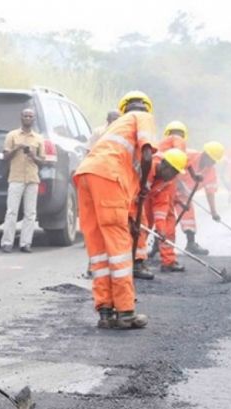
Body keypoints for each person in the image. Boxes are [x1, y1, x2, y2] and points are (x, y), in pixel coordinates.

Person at [74, 90, 156, 330]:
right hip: (107, 177)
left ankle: (106, 312)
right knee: (119, 247)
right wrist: (143, 187)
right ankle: (126, 311)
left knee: (99, 248)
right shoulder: (142, 117)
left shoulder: (115, 126)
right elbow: (148, 153)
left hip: (85, 175)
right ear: (144, 106)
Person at [132, 148, 188, 277]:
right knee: (138, 226)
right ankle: (134, 261)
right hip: (129, 196)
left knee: (149, 227)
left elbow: (161, 207)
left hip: (143, 197)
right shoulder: (147, 166)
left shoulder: (166, 182)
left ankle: (140, 261)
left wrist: (161, 229)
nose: (174, 177)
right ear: (164, 164)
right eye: (173, 172)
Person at [0, 108, 45, 253]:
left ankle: (26, 243)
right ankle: (7, 242)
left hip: (32, 179)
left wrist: (33, 155)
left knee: (30, 213)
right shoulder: (12, 135)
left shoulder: (38, 138)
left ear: (33, 119)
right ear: (21, 117)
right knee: (11, 211)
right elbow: (5, 156)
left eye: (30, 116)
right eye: (25, 115)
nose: (27, 118)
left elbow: (42, 162)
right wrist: (16, 148)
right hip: (16, 178)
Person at [175, 141, 225, 256]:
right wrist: (178, 183)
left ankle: (191, 244)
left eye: (214, 161)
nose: (212, 163)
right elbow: (171, 164)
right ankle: (156, 245)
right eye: (211, 159)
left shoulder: (210, 171)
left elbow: (210, 192)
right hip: (167, 189)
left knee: (189, 217)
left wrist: (214, 212)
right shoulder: (188, 155)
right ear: (205, 154)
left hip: (184, 196)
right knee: (163, 217)